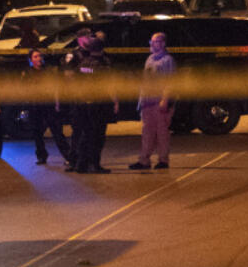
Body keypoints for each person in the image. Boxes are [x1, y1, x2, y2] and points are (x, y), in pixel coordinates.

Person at [64, 30, 119, 173]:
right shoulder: (104, 64)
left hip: (83, 103)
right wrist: (115, 100)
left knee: (85, 134)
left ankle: (81, 165)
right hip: (98, 104)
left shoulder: (83, 63)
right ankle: (94, 164)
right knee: (97, 136)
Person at [130, 32, 176, 171]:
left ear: (162, 43)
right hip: (147, 102)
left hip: (159, 102)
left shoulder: (168, 60)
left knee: (161, 133)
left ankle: (163, 160)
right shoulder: (150, 59)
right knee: (147, 132)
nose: (152, 44)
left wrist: (165, 100)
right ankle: (144, 160)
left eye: (155, 41)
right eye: (152, 41)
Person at [22, 49, 73, 167]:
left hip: (49, 106)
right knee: (37, 133)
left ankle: (69, 156)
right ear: (30, 60)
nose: (38, 58)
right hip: (35, 106)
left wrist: (57, 102)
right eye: (35, 57)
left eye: (39, 56)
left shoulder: (48, 72)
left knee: (57, 132)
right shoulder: (28, 73)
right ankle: (41, 156)